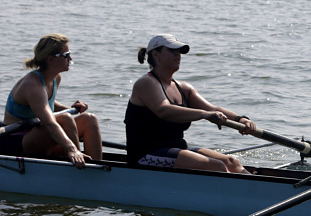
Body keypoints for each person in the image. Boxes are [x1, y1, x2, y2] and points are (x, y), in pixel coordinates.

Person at [124, 34, 257, 173]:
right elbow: (164, 110)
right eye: (172, 50)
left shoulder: (184, 88)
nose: (178, 55)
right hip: (145, 156)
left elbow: (212, 108)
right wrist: (204, 115)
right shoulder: (146, 83)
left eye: (179, 51)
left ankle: (255, 186)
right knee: (216, 166)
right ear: (155, 54)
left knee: (231, 162)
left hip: (177, 150)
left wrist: (241, 119)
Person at [3, 33, 101, 169]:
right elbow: (49, 122)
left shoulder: (55, 78)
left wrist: (70, 108)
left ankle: (98, 169)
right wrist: (72, 149)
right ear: (51, 59)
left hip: (37, 132)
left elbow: (47, 103)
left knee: (89, 119)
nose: (70, 58)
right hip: (14, 141)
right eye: (66, 55)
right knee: (65, 119)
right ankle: (79, 167)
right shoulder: (32, 85)